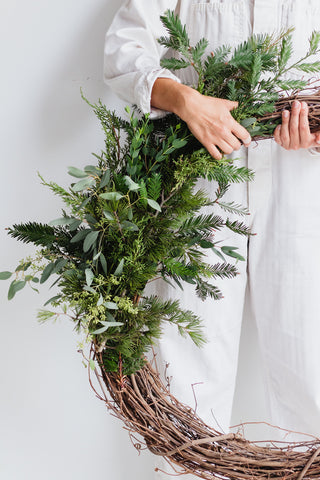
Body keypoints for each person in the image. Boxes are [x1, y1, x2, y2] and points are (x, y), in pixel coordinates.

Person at [104, 1, 320, 477]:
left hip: (303, 190)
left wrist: (315, 132)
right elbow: (124, 50)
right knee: (187, 374)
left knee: (313, 367)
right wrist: (185, 100)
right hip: (198, 185)